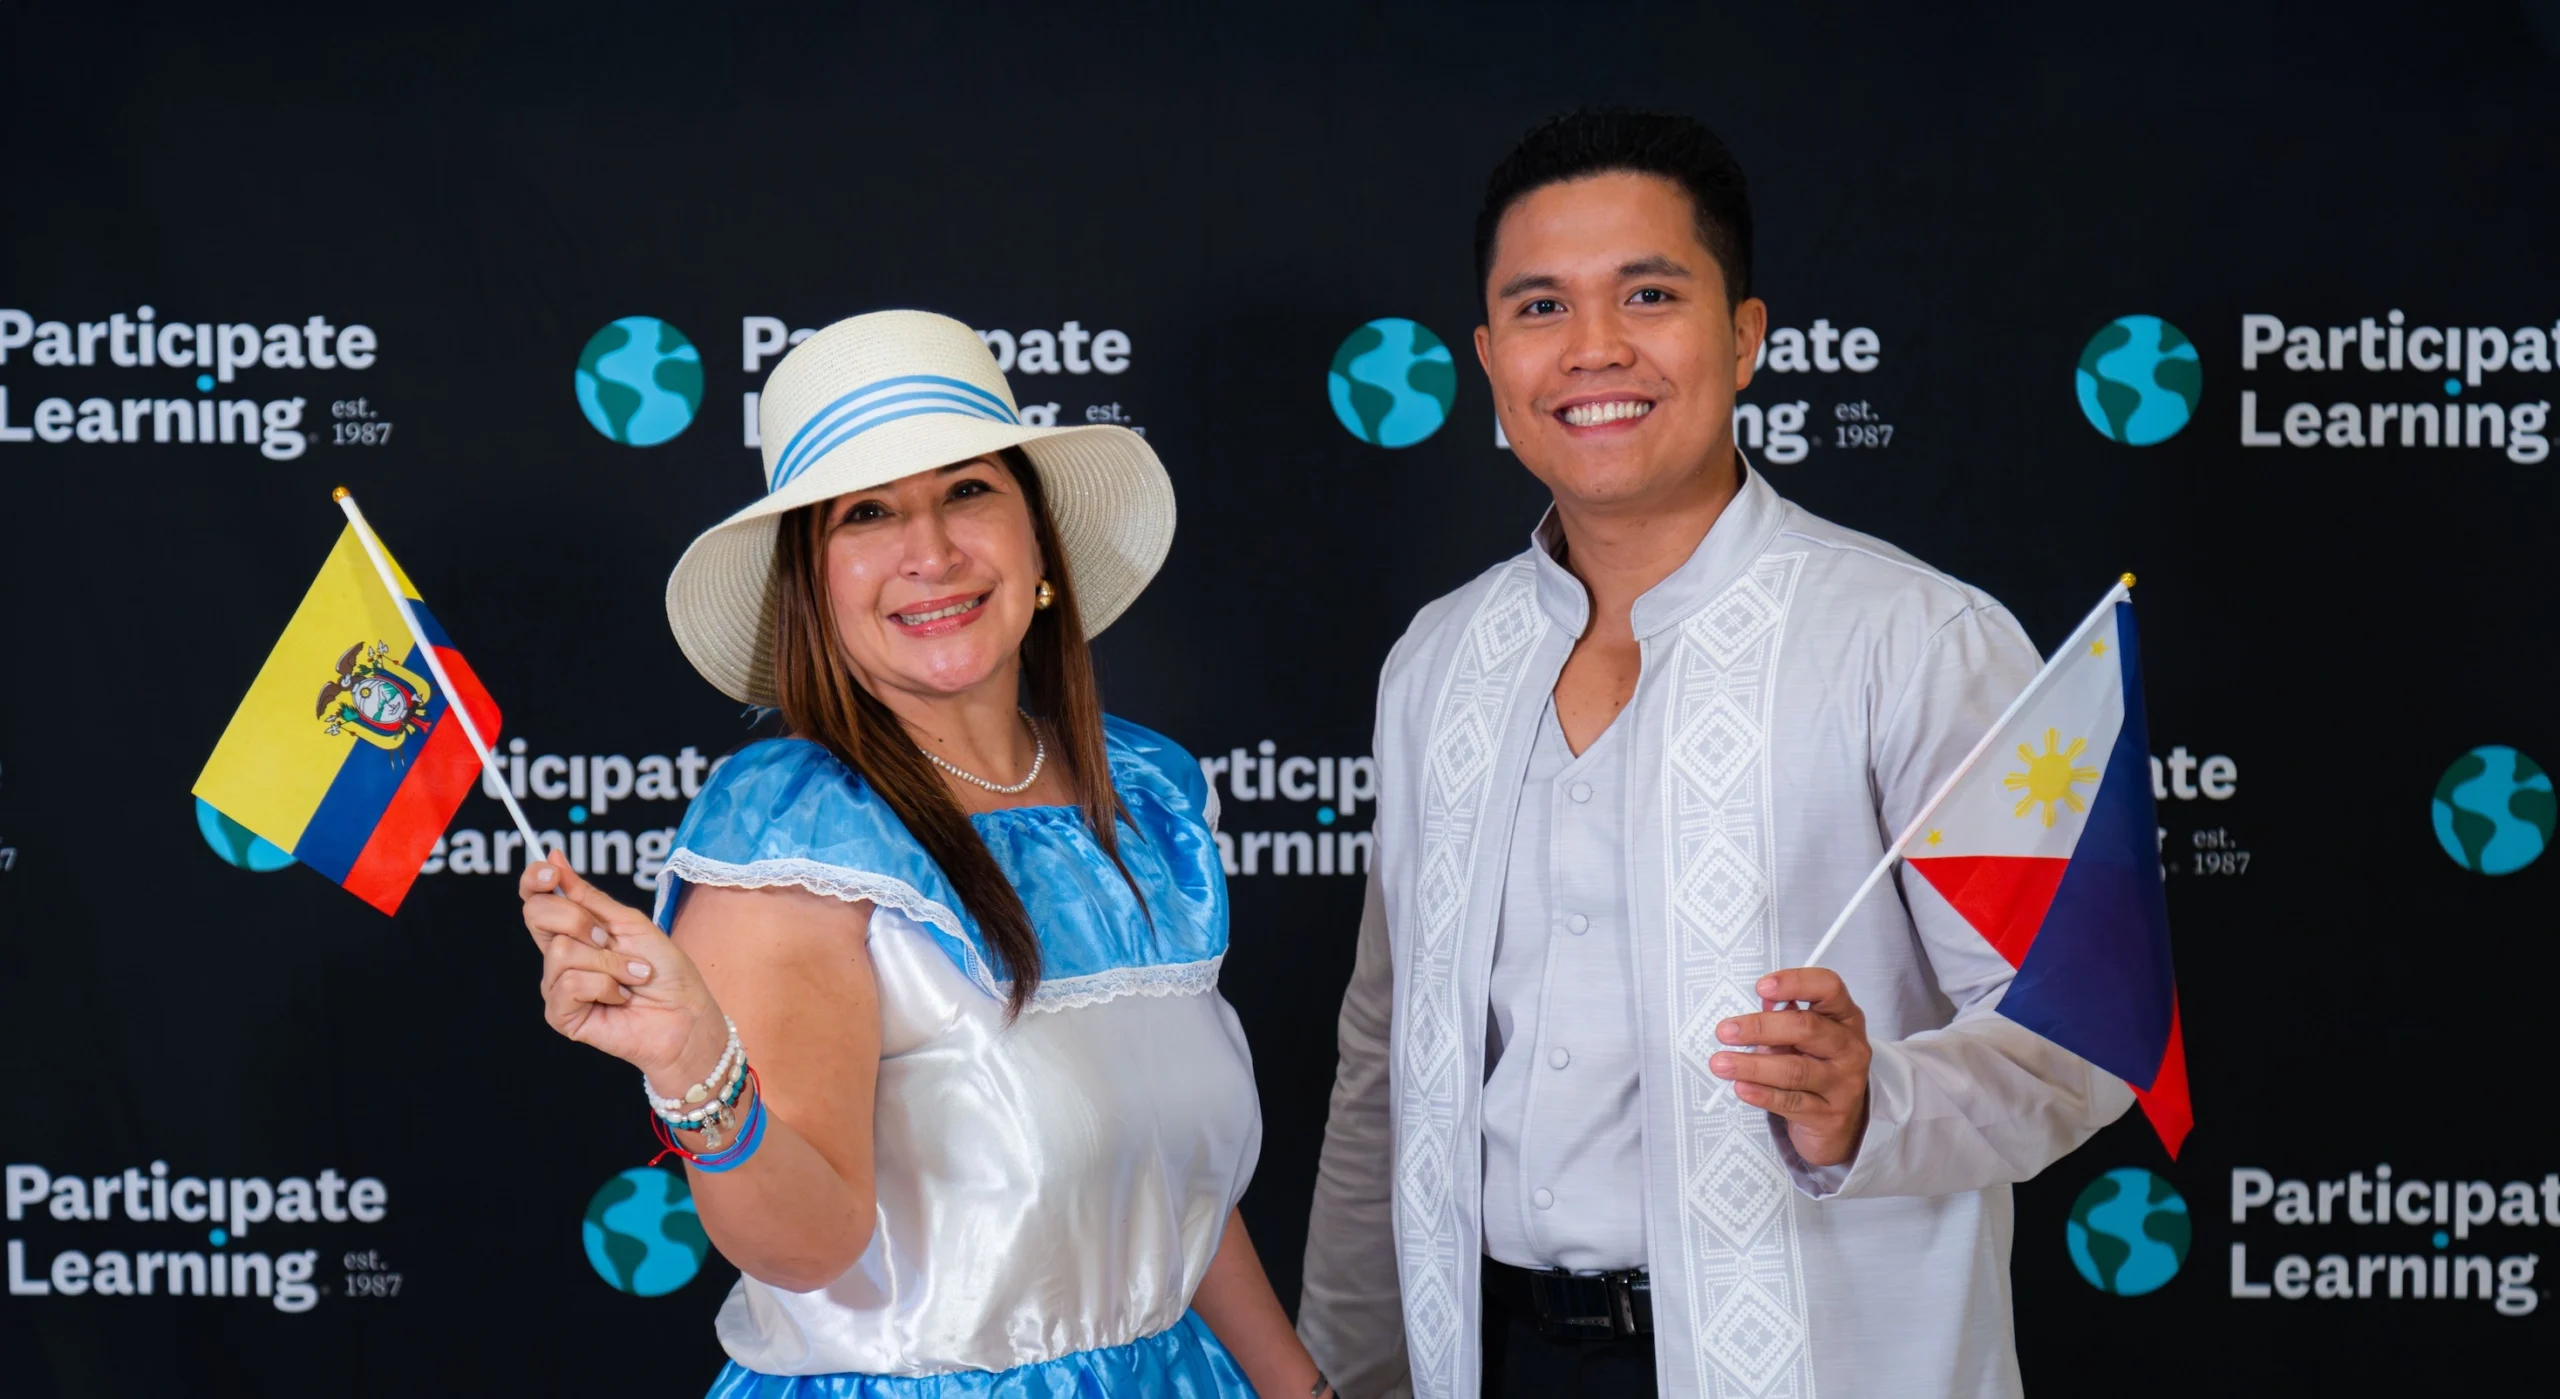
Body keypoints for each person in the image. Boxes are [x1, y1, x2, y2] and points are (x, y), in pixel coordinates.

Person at [1296, 112, 2135, 1398]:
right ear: (1489, 358)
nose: (1592, 348)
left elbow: (2076, 1037)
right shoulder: (1437, 663)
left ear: (1743, 336)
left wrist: (1872, 1100)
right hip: (1494, 1356)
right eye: (1540, 306)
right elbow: (1383, 1061)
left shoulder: (1914, 638)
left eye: (1647, 294)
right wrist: (1344, 1369)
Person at [519, 310, 1333, 1398]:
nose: (933, 552)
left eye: (968, 490)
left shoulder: (1141, 792)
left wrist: (1302, 1389)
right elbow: (804, 1247)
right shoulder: (794, 836)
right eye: (867, 512)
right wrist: (693, 1067)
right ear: (812, 581)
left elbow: (1161, 1195)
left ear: (1037, 538)